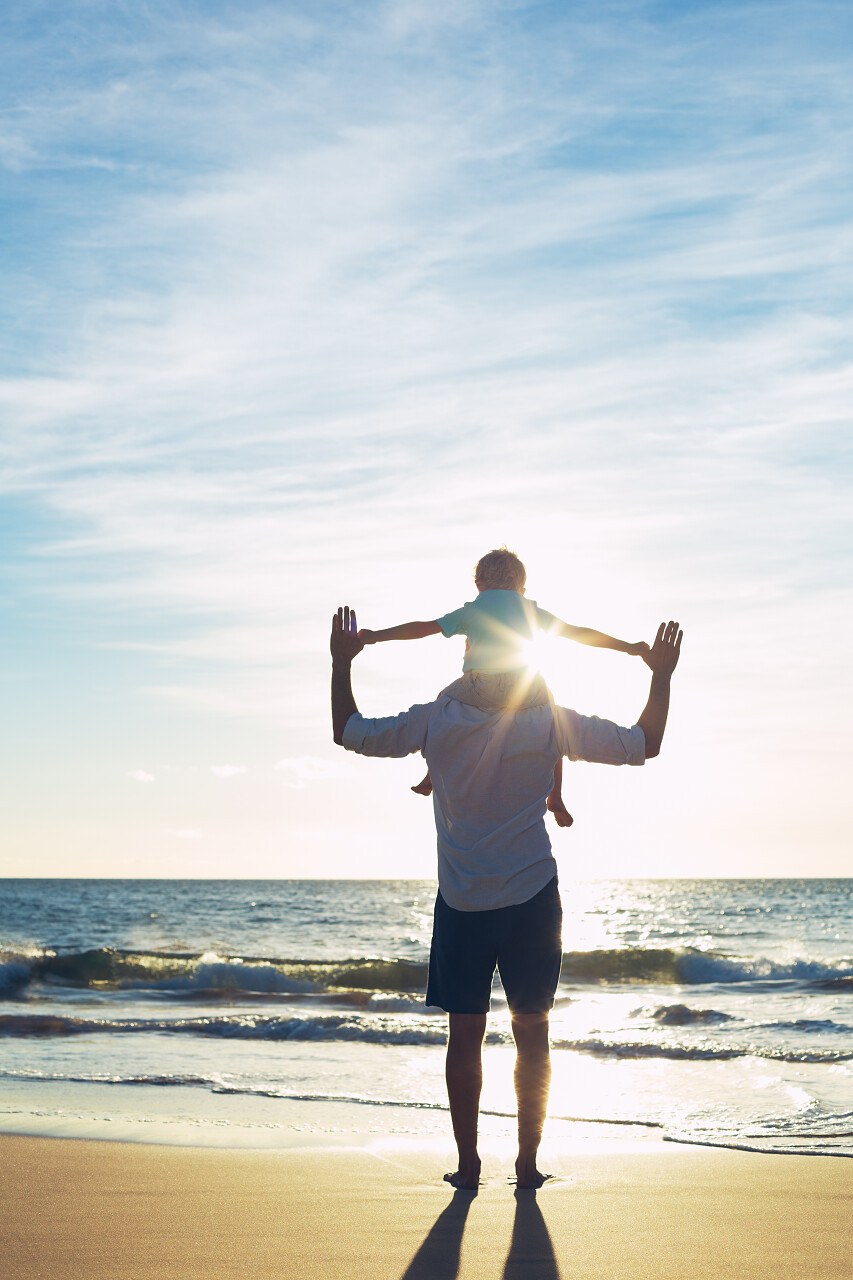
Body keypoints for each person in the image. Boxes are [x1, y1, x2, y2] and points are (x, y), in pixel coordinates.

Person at [330, 603, 682, 1190]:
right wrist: (660, 674)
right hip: (531, 898)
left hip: (463, 902)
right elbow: (643, 744)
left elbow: (350, 732)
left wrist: (342, 664)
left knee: (465, 1036)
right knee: (532, 1032)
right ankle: (526, 1164)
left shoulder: (434, 718)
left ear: (466, 651)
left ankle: (469, 1166)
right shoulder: (547, 718)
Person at [357, 548, 649, 828]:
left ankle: (431, 776)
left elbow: (422, 628)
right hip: (526, 689)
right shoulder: (531, 609)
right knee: (556, 726)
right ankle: (556, 794)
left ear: (478, 584)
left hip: (479, 687)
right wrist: (628, 647)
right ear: (521, 589)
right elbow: (578, 633)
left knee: (441, 703)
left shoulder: (474, 609)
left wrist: (375, 636)